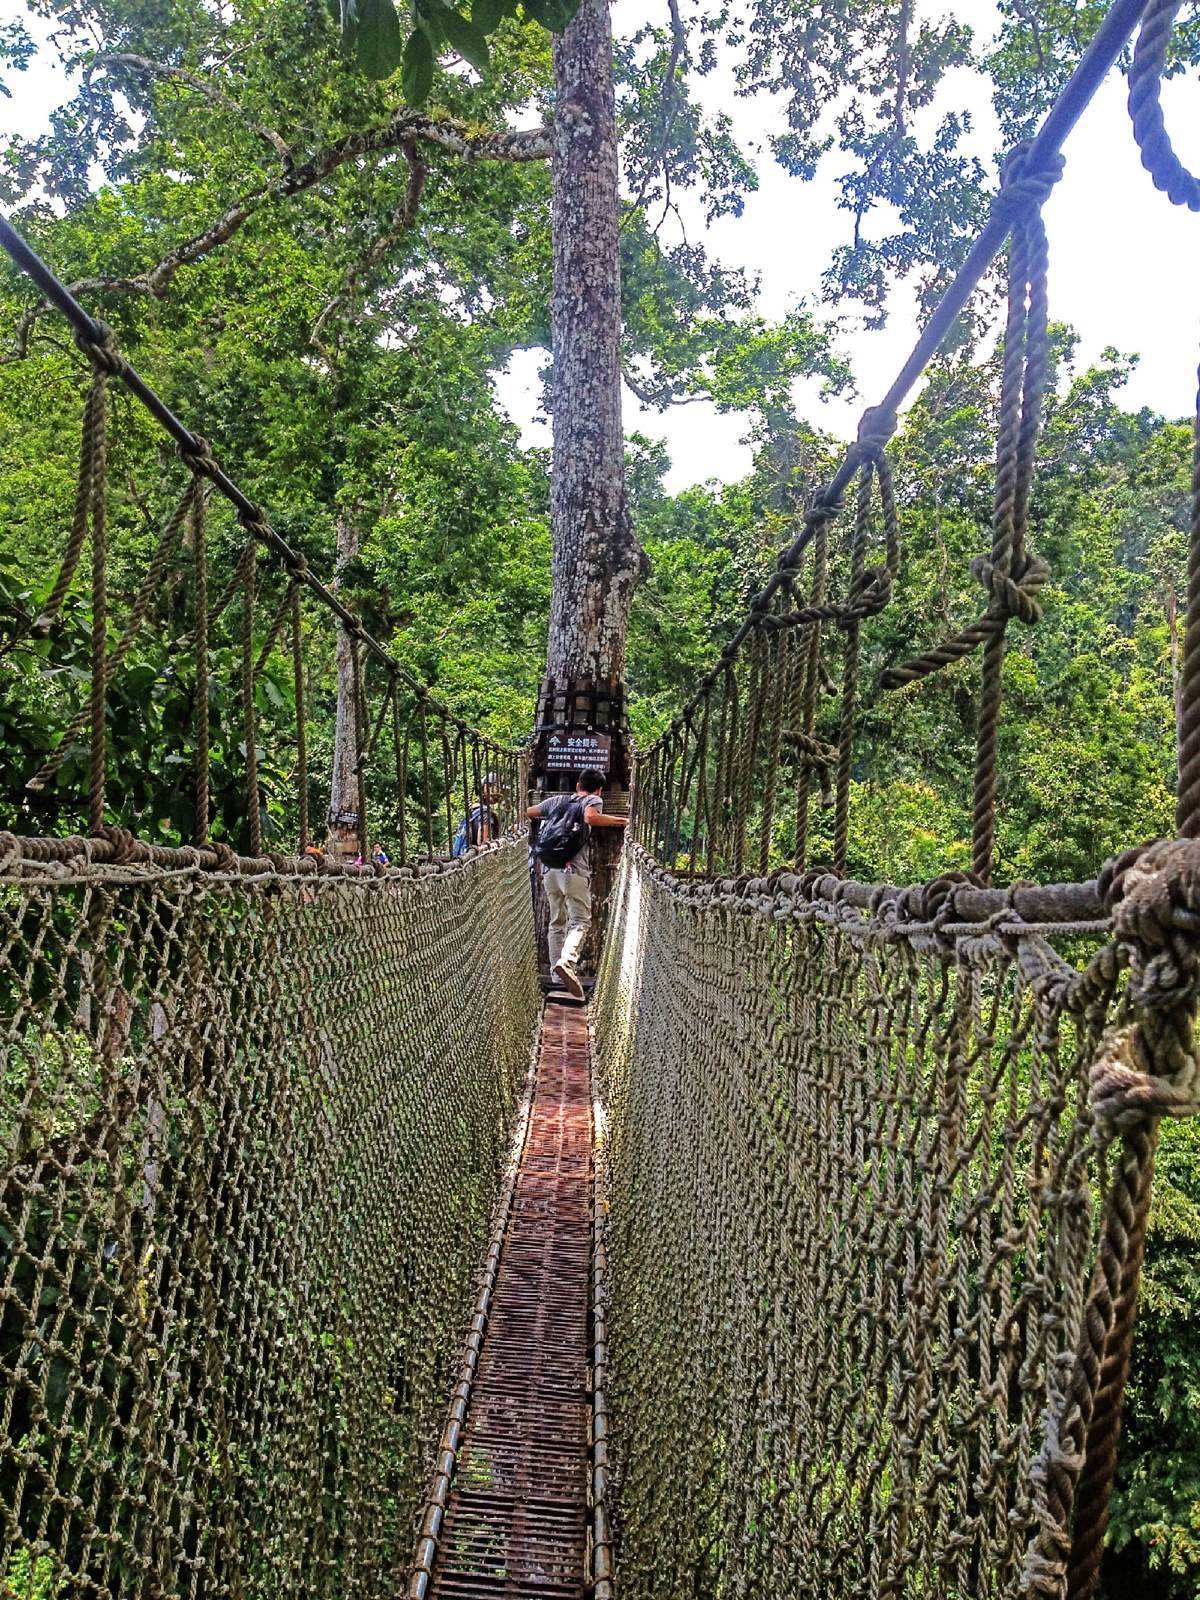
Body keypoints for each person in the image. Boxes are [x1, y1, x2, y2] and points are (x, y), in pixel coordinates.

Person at [526, 769, 628, 1000]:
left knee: (556, 921)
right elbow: (591, 817)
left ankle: (555, 976)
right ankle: (567, 961)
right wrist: (624, 821)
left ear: (578, 783)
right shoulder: (593, 799)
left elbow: (530, 812)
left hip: (550, 870)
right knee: (580, 921)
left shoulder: (558, 800)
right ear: (599, 789)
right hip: (573, 871)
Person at [452, 772, 506, 857]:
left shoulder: (473, 810)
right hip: (474, 859)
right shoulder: (485, 813)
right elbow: (483, 843)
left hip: (464, 856)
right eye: (496, 787)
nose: (498, 791)